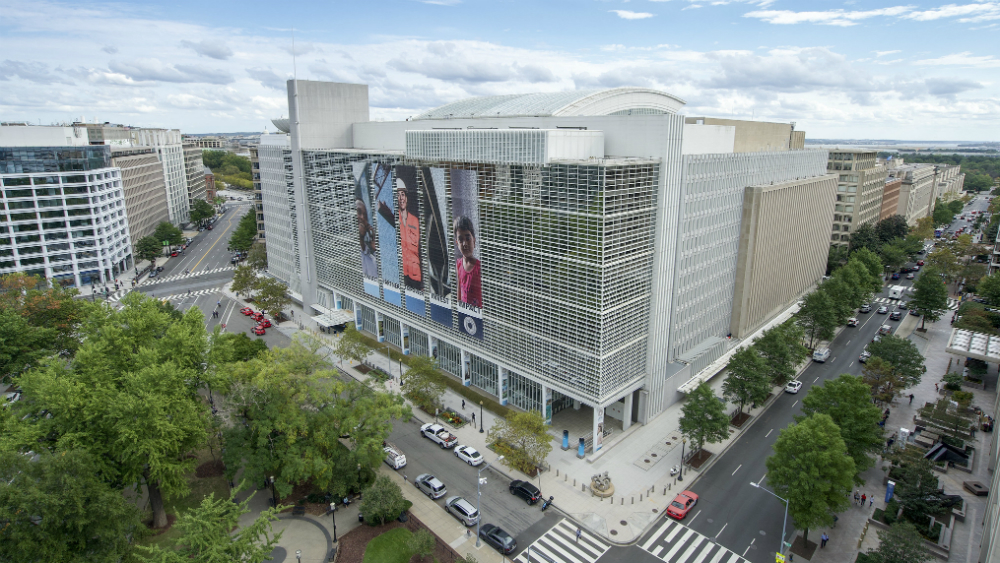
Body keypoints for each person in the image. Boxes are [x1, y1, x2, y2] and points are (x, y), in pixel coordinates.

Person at [398, 182, 422, 290]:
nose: (401, 198)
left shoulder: (415, 220)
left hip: (416, 275)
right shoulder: (395, 219)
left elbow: (422, 251)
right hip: (403, 273)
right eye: (398, 195)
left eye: (402, 194)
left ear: (406, 197)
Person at [454, 216, 482, 307]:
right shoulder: (459, 264)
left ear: (474, 240)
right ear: (457, 243)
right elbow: (459, 292)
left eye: (468, 238)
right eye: (461, 240)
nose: (465, 244)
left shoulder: (480, 268)